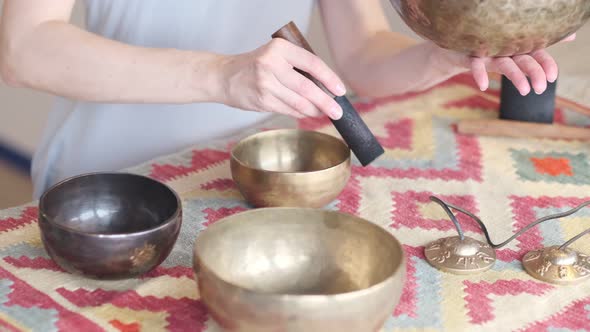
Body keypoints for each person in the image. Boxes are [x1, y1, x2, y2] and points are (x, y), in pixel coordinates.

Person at [0, 0, 571, 198]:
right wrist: (223, 77)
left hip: (251, 178)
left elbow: (362, 54)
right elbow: (24, 51)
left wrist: (443, 57)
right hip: (107, 183)